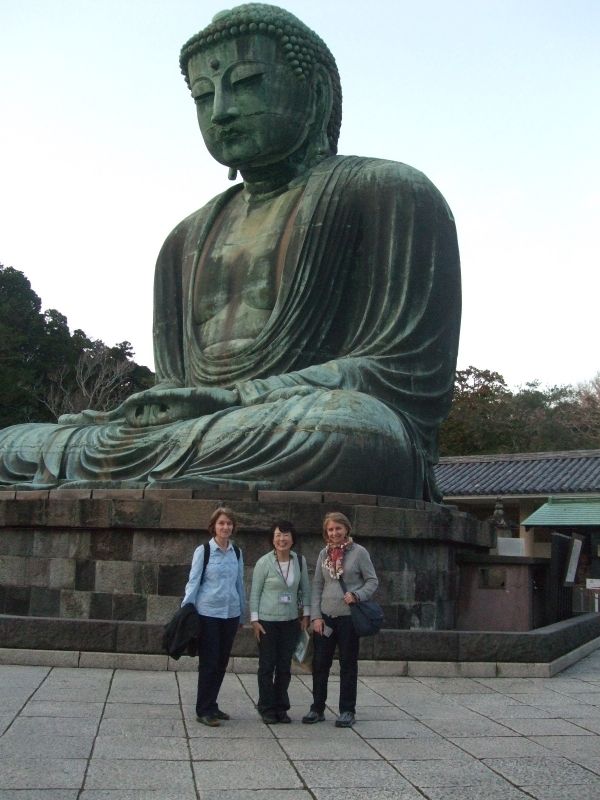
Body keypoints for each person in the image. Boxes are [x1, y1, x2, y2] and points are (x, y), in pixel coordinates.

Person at [0, 3, 460, 500]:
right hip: (206, 432)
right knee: (12, 444)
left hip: (301, 422)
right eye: (203, 96)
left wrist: (239, 396)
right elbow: (174, 385)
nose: (221, 111)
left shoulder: (389, 192)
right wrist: (149, 411)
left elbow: (405, 375)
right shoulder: (184, 238)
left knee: (352, 430)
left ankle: (138, 475)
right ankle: (136, 472)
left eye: (245, 83)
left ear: (318, 92)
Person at [302, 511, 378, 728]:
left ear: (346, 529)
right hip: (326, 618)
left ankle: (347, 709)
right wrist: (316, 616)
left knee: (347, 664)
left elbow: (372, 581)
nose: (334, 533)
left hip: (348, 618)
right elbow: (317, 585)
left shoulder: (359, 552)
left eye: (338, 528)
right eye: (330, 530)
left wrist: (357, 595)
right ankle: (317, 707)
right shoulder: (323, 554)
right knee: (320, 664)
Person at [181, 506, 244, 726]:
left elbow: (239, 584)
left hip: (231, 613)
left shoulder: (236, 551)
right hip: (208, 613)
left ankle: (213, 704)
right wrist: (186, 611)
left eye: (229, 523)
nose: (225, 527)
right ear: (213, 527)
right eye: (221, 523)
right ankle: (203, 708)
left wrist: (242, 614)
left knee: (221, 662)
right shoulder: (204, 551)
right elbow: (194, 581)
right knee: (209, 662)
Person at [250, 520, 311, 723]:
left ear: (292, 539)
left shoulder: (299, 561)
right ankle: (266, 707)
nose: (281, 539)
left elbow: (305, 590)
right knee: (267, 666)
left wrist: (306, 615)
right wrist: (254, 620)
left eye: (286, 535)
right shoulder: (263, 562)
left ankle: (281, 707)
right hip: (267, 622)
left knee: (284, 667)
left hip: (290, 621)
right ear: (272, 539)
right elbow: (255, 593)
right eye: (278, 535)